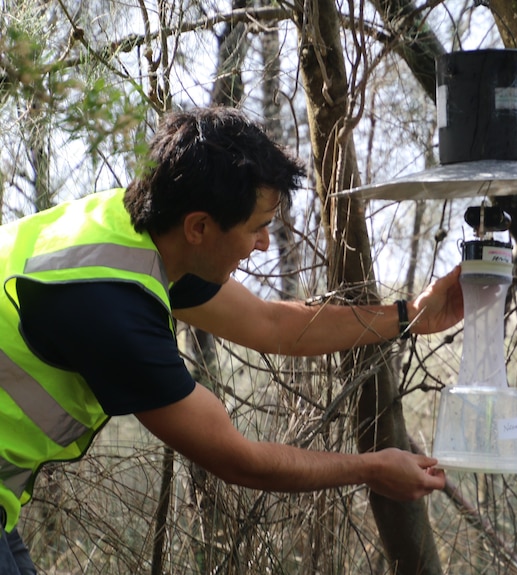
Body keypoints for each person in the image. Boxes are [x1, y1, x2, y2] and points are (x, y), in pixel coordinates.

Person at [0, 106, 463, 573]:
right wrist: (371, 469)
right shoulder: (111, 308)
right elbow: (240, 459)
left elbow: (271, 325)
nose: (263, 243)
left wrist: (409, 317)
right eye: (257, 228)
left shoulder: (140, 233)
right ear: (199, 227)